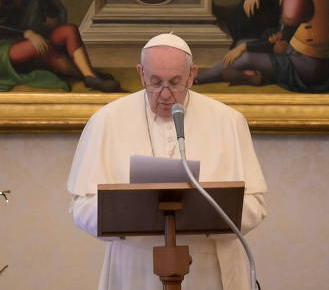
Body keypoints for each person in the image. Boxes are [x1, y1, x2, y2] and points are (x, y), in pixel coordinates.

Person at [67, 33, 267, 289]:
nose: (165, 94)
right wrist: (129, 216)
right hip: (135, 268)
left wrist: (204, 215)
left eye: (175, 82)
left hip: (211, 269)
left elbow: (255, 205)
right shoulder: (106, 121)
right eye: (155, 82)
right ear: (141, 74)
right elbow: (83, 207)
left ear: (192, 74)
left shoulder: (228, 121)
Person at [199, 0, 329, 92]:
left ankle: (198, 78)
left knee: (246, 56)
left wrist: (245, 47)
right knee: (242, 44)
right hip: (298, 51)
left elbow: (281, 44)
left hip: (309, 66)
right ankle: (256, 75)